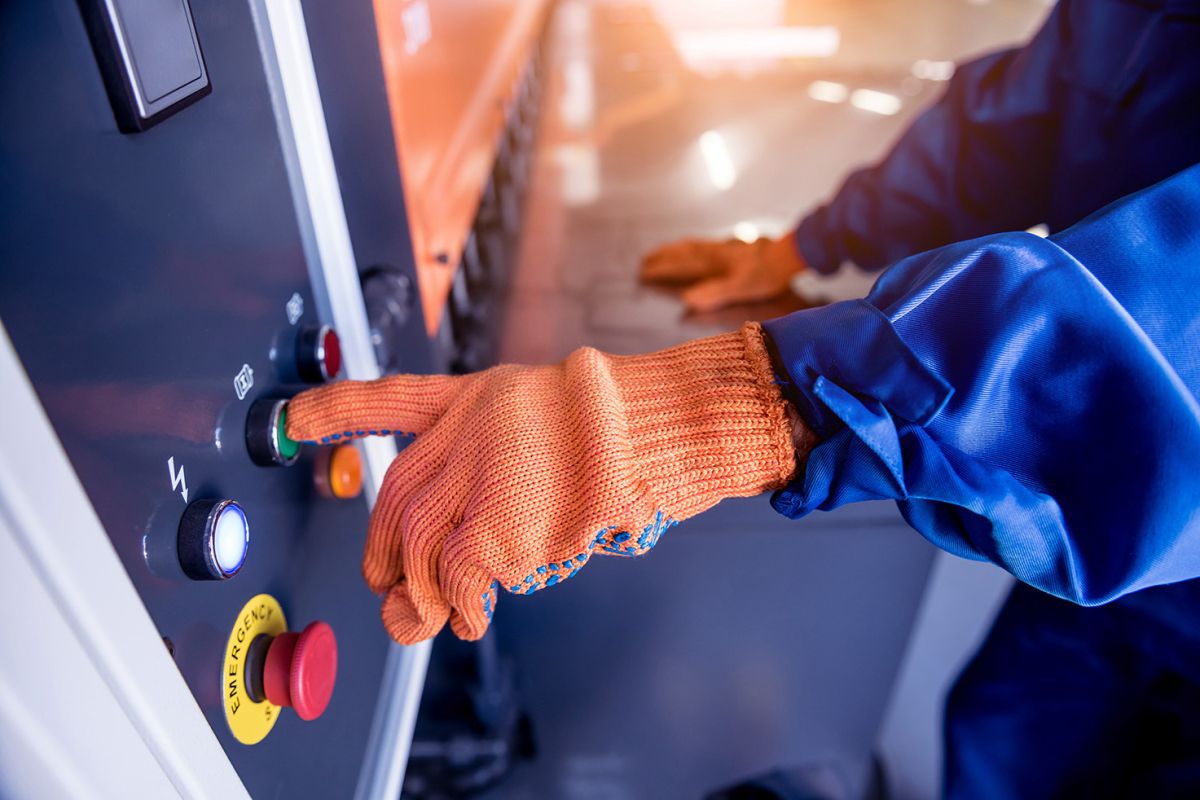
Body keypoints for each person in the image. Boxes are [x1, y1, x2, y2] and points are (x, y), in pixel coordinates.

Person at [286, 1, 1200, 795]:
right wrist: (804, 246)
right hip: (1096, 540)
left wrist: (731, 409)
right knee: (1006, 736)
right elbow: (1025, 121)